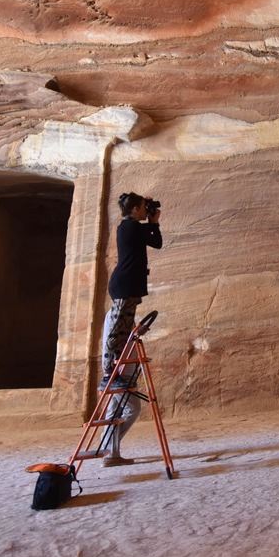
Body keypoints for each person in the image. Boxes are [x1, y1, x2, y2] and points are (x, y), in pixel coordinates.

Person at [98, 191, 163, 466]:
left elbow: (153, 242)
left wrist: (151, 219)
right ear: (136, 209)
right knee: (122, 401)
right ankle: (109, 451)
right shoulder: (131, 227)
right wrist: (155, 220)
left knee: (127, 404)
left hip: (124, 288)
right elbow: (157, 241)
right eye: (142, 208)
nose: (144, 211)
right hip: (124, 286)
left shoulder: (129, 227)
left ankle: (109, 450)